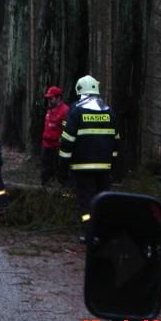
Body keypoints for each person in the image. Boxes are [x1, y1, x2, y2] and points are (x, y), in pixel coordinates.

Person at [58, 75, 119, 242]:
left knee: (86, 202)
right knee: (103, 200)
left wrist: (62, 167)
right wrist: (112, 165)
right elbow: (116, 142)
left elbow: (67, 140)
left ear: (80, 90)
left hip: (82, 167)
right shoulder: (109, 111)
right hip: (104, 168)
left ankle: (89, 233)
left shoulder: (76, 110)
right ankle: (102, 232)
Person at [41, 85, 70, 186]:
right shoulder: (50, 110)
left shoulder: (65, 110)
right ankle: (44, 187)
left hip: (57, 147)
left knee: (59, 170)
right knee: (45, 169)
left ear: (58, 98)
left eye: (51, 98)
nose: (49, 100)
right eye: (48, 98)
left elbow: (67, 129)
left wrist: (61, 141)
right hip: (46, 145)